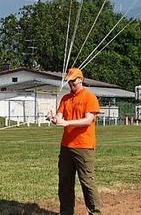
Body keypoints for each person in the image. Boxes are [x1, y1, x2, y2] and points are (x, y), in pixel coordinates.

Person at [48, 67, 101, 215]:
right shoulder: (65, 99)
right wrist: (54, 119)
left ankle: (95, 212)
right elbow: (60, 117)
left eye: (73, 81)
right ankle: (66, 212)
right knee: (64, 183)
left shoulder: (89, 97)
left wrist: (67, 123)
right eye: (69, 82)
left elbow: (88, 120)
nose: (71, 84)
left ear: (80, 80)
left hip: (84, 146)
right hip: (66, 147)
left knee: (87, 182)